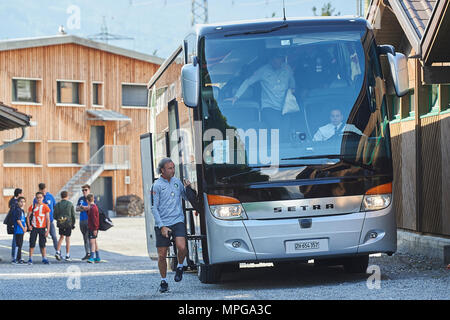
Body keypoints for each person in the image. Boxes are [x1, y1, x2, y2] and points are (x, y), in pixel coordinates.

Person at [151, 158, 193, 293]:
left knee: (182, 247)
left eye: (173, 167)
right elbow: (154, 208)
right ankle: (164, 281)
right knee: (162, 255)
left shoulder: (177, 182)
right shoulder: (156, 185)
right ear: (162, 170)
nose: (173, 170)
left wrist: (188, 189)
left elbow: (185, 198)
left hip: (178, 220)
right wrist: (161, 226)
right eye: (170, 168)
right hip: (163, 223)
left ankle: (180, 266)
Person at [229, 51, 296, 134]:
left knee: (287, 130)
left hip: (286, 107)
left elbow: (292, 81)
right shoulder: (263, 70)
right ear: (270, 60)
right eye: (275, 61)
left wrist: (292, 89)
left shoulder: (287, 68)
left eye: (279, 60)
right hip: (269, 108)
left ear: (282, 60)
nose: (277, 63)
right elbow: (248, 82)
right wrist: (236, 96)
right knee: (277, 129)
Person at [27, 192, 51, 265]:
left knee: (42, 244)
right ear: (35, 198)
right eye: (37, 197)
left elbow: (48, 219)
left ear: (43, 198)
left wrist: (48, 230)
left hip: (42, 227)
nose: (39, 199)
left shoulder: (45, 207)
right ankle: (30, 258)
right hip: (34, 227)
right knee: (32, 243)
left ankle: (44, 258)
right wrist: (29, 225)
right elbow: (28, 216)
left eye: (40, 197)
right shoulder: (32, 206)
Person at [33, 183, 58, 253]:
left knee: (54, 236)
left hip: (50, 220)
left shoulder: (50, 196)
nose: (43, 192)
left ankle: (58, 252)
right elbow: (34, 209)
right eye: (41, 190)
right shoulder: (36, 199)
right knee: (42, 238)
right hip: (40, 222)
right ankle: (43, 255)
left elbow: (55, 207)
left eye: (44, 190)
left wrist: (55, 216)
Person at [53, 191, 76, 262]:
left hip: (61, 223)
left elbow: (54, 215)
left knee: (61, 237)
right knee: (67, 238)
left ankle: (58, 251)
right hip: (68, 223)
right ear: (67, 196)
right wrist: (73, 224)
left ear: (61, 196)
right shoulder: (70, 204)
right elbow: (73, 215)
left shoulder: (57, 205)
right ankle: (67, 255)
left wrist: (59, 220)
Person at [76, 184, 92, 260]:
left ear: (89, 190)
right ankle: (87, 253)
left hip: (89, 220)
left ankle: (93, 254)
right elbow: (77, 208)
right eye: (83, 190)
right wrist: (85, 208)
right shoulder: (80, 199)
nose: (84, 191)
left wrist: (83, 207)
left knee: (91, 237)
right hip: (82, 220)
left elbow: (92, 208)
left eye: (86, 190)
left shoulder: (92, 198)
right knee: (85, 237)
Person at [8, 188, 23, 263]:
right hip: (15, 223)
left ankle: (16, 256)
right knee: (15, 240)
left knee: (16, 240)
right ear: (19, 194)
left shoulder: (12, 200)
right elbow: (13, 214)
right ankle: (14, 257)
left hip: (14, 223)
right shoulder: (15, 202)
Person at [12, 196, 27, 264]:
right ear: (18, 202)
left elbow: (23, 220)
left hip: (21, 230)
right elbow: (18, 220)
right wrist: (23, 227)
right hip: (18, 229)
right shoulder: (17, 210)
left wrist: (25, 226)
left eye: (24, 202)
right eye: (21, 202)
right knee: (18, 244)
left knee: (20, 244)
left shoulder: (22, 210)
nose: (22, 203)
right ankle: (15, 259)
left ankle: (19, 257)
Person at [86, 194, 100, 264]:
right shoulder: (92, 207)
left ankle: (92, 257)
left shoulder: (93, 208)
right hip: (92, 227)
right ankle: (97, 257)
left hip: (93, 227)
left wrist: (95, 229)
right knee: (94, 241)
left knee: (92, 242)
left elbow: (95, 219)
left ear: (87, 201)